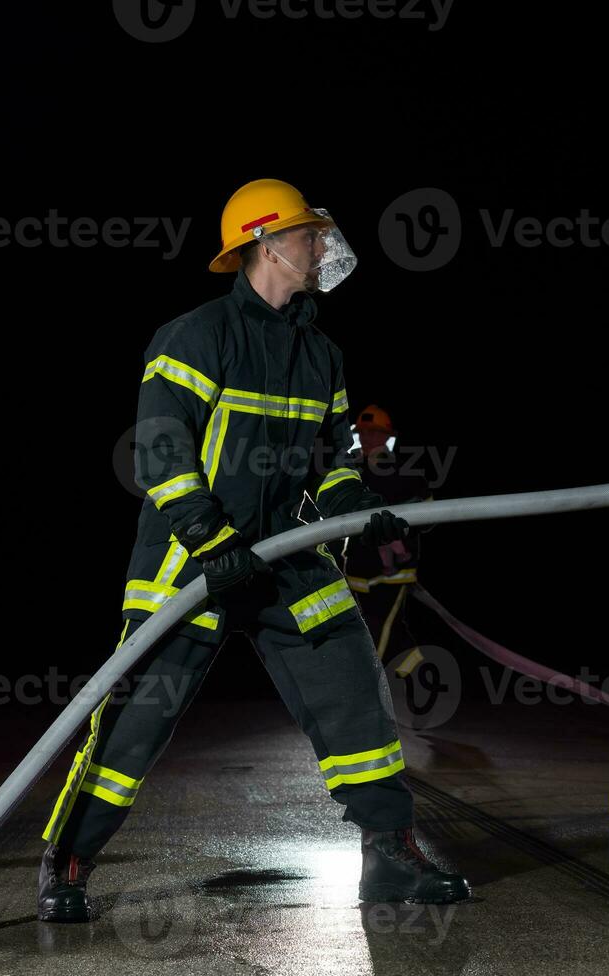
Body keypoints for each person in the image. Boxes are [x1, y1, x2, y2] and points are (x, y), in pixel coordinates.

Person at [37, 179, 471, 922]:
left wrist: (351, 506)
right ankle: (69, 860)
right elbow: (162, 451)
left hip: (284, 554)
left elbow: (331, 459)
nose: (322, 247)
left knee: (350, 679)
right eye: (309, 235)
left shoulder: (321, 353)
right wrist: (211, 536)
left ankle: (390, 853)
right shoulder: (196, 335)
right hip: (190, 560)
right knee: (136, 716)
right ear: (265, 243)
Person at [342, 405, 431, 672]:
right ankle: (421, 676)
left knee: (376, 625)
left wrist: (399, 534)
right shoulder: (350, 469)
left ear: (386, 436)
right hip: (357, 566)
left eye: (374, 432)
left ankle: (363, 686)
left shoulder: (406, 471)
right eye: (363, 432)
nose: (367, 437)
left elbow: (429, 515)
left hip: (394, 568)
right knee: (383, 629)